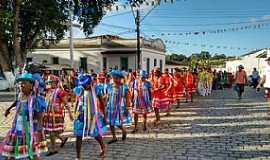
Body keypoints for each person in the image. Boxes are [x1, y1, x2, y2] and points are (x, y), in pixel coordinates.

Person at [2, 73, 48, 160]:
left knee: (32, 155)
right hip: (17, 130)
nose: (21, 85)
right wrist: (8, 109)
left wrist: (38, 134)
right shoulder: (20, 95)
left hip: (29, 132)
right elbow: (16, 102)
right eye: (20, 83)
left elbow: (39, 119)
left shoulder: (36, 100)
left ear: (31, 85)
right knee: (11, 154)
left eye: (24, 83)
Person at [73, 74, 107, 159]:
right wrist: (74, 112)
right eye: (83, 85)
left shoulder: (96, 89)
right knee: (78, 135)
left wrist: (104, 115)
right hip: (81, 116)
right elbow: (77, 101)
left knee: (95, 134)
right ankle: (78, 156)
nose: (85, 86)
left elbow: (102, 103)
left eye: (86, 84)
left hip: (93, 116)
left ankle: (103, 147)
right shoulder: (80, 89)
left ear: (91, 82)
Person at [43, 75, 73, 156]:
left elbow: (66, 103)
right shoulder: (48, 91)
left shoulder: (60, 91)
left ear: (55, 83)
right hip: (48, 114)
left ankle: (54, 148)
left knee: (52, 131)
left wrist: (70, 113)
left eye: (50, 82)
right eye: (48, 82)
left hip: (55, 115)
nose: (49, 84)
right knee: (51, 130)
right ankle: (62, 139)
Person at [105, 70, 131, 144]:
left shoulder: (123, 87)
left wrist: (126, 107)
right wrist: (104, 103)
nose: (115, 80)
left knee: (117, 122)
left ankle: (124, 130)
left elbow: (127, 98)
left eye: (117, 78)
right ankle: (114, 137)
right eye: (113, 78)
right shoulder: (110, 86)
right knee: (110, 122)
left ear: (120, 78)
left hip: (119, 107)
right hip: (110, 106)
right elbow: (108, 96)